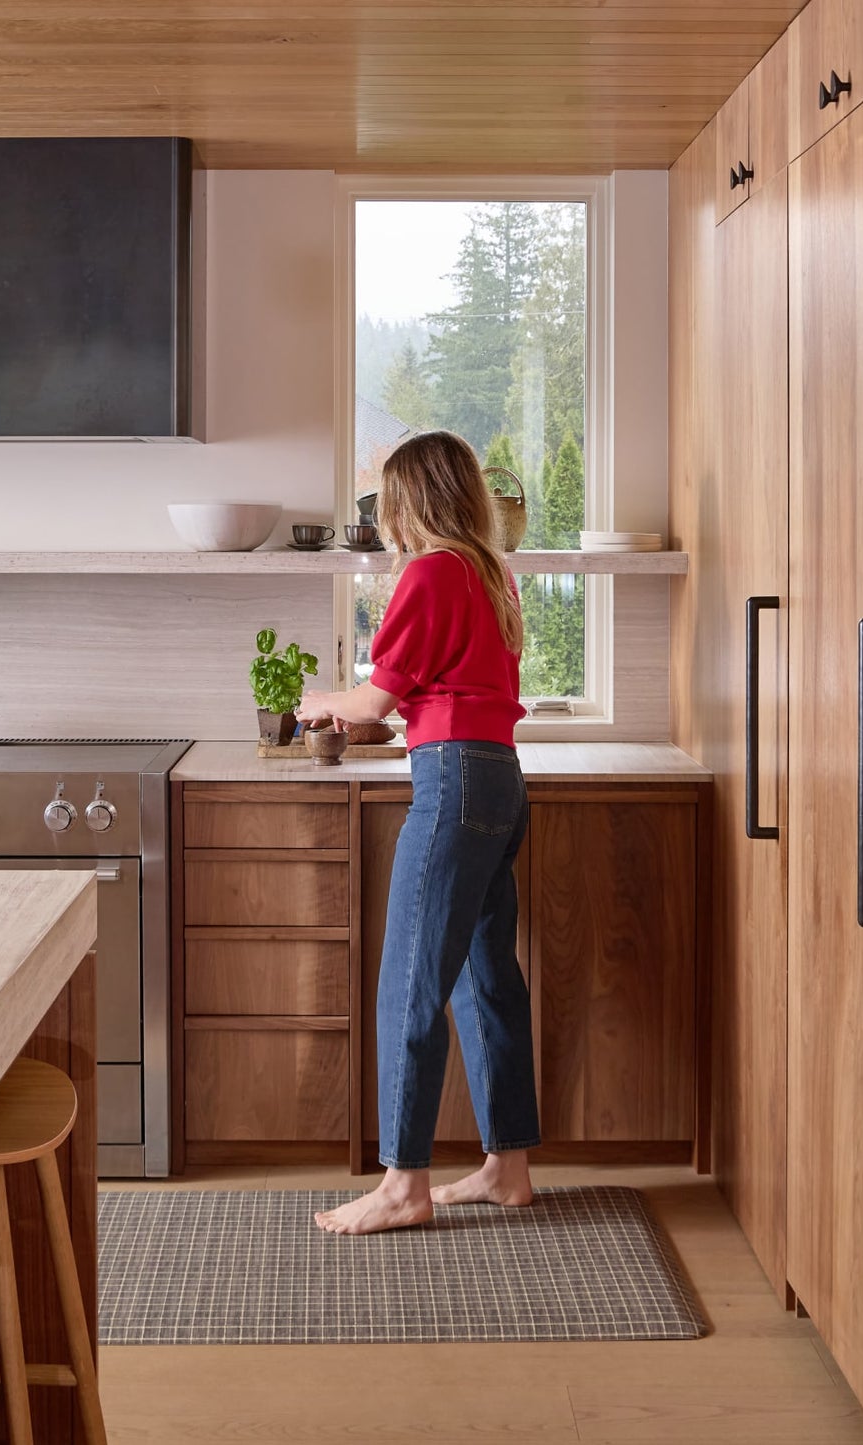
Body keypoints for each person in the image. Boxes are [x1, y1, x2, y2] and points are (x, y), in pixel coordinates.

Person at [295, 429, 539, 1235]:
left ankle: (404, 1184)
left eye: (388, 500)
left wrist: (319, 701)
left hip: (454, 785)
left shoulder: (430, 572)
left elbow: (372, 705)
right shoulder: (488, 570)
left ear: (411, 501)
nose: (385, 516)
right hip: (499, 778)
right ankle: (507, 1168)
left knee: (409, 982)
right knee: (485, 978)